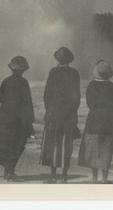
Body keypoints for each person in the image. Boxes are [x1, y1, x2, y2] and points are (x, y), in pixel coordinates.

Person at [0, 56, 35, 182]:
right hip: (19, 118)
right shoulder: (23, 82)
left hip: (5, 116)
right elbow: (27, 102)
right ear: (23, 70)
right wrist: (30, 120)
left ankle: (8, 171)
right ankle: (10, 171)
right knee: (17, 143)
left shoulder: (6, 81)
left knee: (7, 143)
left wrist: (8, 106)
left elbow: (0, 97)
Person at [40, 47, 81, 183]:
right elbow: (77, 97)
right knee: (66, 144)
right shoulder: (74, 73)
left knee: (52, 143)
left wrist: (49, 109)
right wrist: (73, 112)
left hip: (53, 113)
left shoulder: (53, 72)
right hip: (68, 114)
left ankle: (53, 175)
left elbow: (47, 94)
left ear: (57, 59)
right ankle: (64, 176)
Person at [78, 59, 113, 184]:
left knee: (93, 148)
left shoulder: (91, 85)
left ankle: (94, 177)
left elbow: (90, 103)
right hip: (109, 120)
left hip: (93, 119)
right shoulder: (112, 86)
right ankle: (105, 178)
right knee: (106, 149)